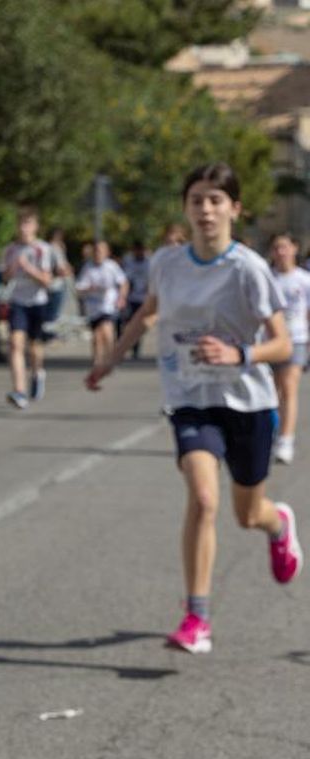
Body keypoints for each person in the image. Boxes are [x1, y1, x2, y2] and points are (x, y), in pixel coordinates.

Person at [87, 162, 301, 654]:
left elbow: (283, 343)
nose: (205, 209)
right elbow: (148, 311)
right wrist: (109, 360)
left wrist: (238, 354)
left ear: (234, 208)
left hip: (247, 401)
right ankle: (196, 617)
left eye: (215, 200)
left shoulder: (249, 268)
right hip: (190, 397)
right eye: (197, 200)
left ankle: (278, 525)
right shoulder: (167, 262)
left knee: (248, 514)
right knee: (204, 499)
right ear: (185, 207)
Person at [1, 206, 57, 408]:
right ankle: (19, 391)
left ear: (35, 227)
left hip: (38, 302)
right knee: (15, 344)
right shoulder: (10, 250)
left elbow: (46, 281)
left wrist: (28, 269)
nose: (24, 228)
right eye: (21, 224)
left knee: (34, 348)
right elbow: (5, 278)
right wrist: (12, 269)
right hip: (18, 302)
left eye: (28, 224)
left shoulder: (42, 249)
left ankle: (37, 373)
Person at [269, 232, 310, 464]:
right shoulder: (268, 278)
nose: (280, 252)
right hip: (270, 341)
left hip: (296, 339)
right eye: (276, 247)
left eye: (284, 247)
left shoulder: (304, 279)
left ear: (294, 249)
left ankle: (286, 439)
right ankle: (272, 433)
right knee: (271, 393)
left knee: (289, 387)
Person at [75, 239, 128, 372]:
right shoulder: (88, 267)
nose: (98, 253)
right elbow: (80, 287)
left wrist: (121, 298)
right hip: (93, 306)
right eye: (96, 251)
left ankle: (111, 359)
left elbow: (123, 282)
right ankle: (98, 361)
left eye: (101, 251)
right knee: (97, 336)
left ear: (107, 252)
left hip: (108, 304)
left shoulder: (112, 266)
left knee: (106, 330)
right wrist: (89, 289)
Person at [120, 240, 151, 359]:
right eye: (136, 251)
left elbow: (151, 281)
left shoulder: (149, 262)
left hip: (142, 298)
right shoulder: (128, 260)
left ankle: (136, 349)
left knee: (138, 325)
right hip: (129, 297)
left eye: (141, 251)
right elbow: (124, 278)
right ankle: (122, 347)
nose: (139, 253)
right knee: (126, 323)